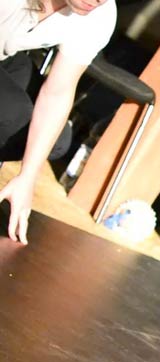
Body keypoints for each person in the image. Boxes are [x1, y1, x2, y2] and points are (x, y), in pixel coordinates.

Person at [1, 0, 116, 243]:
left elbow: (58, 93)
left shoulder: (101, 14)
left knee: (56, 141)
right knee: (12, 113)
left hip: (7, 56)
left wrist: (27, 178)